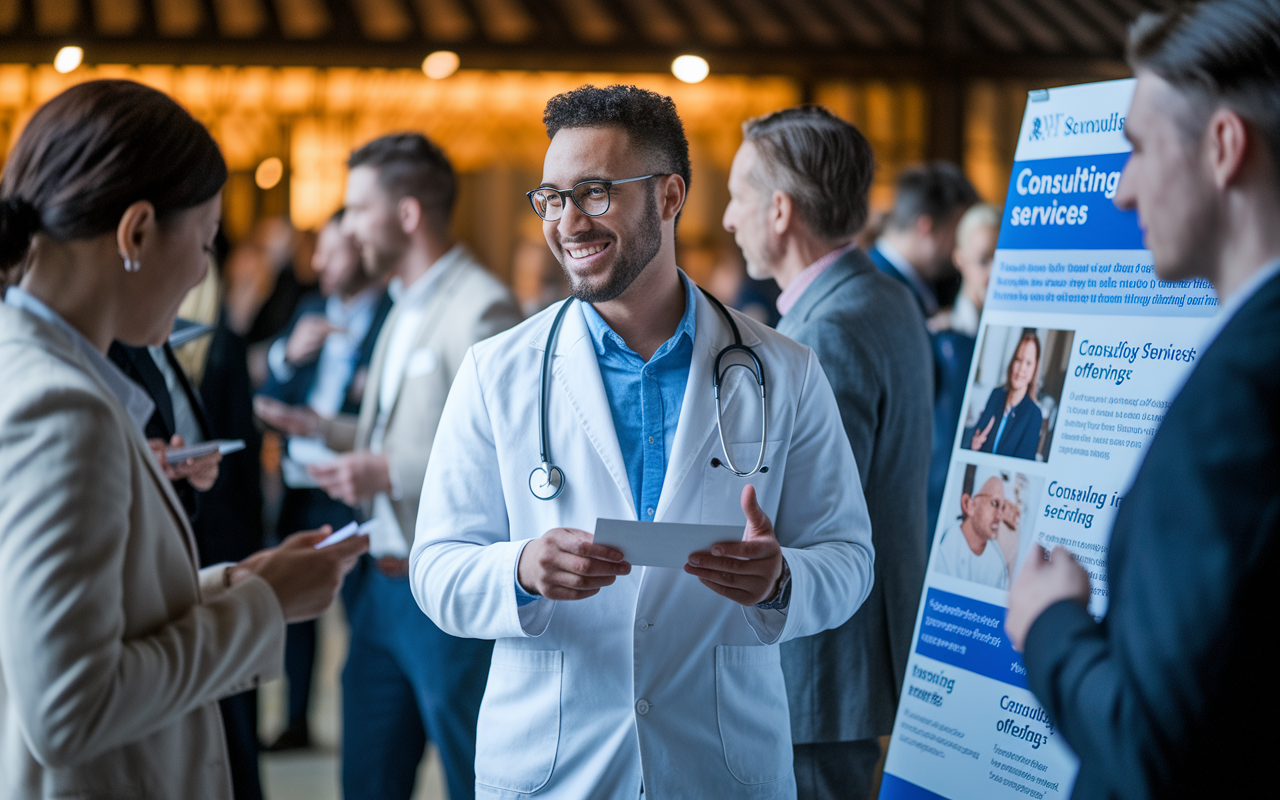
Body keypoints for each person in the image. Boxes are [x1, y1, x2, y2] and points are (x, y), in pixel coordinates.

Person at [410, 84, 874, 799]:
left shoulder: (786, 370)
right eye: (551, 198)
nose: (568, 222)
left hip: (718, 765)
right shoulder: (496, 371)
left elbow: (848, 558)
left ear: (669, 195)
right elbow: (436, 568)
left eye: (594, 193)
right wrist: (522, 568)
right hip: (556, 767)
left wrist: (781, 581)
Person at [0, 79, 367, 800]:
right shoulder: (61, 408)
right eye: (202, 244)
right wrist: (262, 609)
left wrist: (233, 585)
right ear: (136, 233)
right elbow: (71, 704)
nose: (204, 270)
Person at [1005, 3, 1280, 797]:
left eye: (1137, 148)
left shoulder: (1236, 398)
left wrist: (1050, 624)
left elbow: (1152, 743)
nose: (1121, 192)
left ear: (1224, 148)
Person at [259, 133, 521, 800]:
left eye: (355, 209)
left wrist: (385, 472)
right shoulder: (399, 304)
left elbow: (502, 449)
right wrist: (328, 430)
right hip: (378, 587)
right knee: (367, 780)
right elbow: (406, 429)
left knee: (476, 777)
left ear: (406, 214)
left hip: (445, 596)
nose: (345, 226)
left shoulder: (481, 305)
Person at [720, 105, 930, 800]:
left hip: (822, 670)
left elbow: (803, 513)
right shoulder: (883, 296)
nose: (726, 219)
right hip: (853, 661)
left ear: (779, 211)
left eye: (736, 196)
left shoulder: (825, 332)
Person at [255, 209, 392, 752]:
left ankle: (364, 722)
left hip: (353, 486)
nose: (317, 263)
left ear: (359, 252)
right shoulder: (308, 309)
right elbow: (275, 384)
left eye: (330, 252)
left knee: (360, 614)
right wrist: (285, 356)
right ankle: (295, 720)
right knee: (293, 608)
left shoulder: (391, 315)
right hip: (297, 484)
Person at [868, 164, 979, 542]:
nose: (960, 249)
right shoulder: (880, 292)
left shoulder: (916, 289)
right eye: (957, 232)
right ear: (926, 227)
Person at [965, 330, 1043, 460]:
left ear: (1035, 369)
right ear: (1012, 362)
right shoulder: (996, 395)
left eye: (1028, 363)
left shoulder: (1034, 415)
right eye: (1018, 360)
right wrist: (973, 448)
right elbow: (977, 438)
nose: (1021, 368)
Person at [934, 468, 1010, 590]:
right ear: (968, 505)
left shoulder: (998, 566)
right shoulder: (941, 549)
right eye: (994, 504)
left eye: (1003, 507)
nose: (999, 516)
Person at [942, 203, 999, 338]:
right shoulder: (947, 334)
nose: (994, 272)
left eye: (1001, 262)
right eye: (983, 261)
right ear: (960, 260)